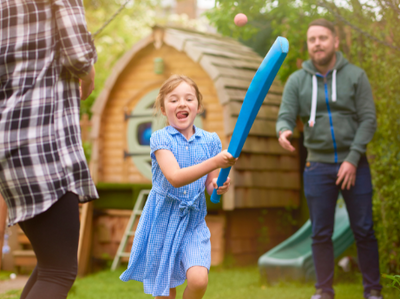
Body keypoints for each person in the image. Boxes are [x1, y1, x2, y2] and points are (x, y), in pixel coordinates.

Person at [276, 19, 382, 299]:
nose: (317, 43)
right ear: (308, 45)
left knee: (364, 229)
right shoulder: (297, 80)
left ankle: (373, 290)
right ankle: (324, 291)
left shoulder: (356, 76)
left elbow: (369, 120)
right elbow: (286, 114)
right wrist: (283, 130)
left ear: (335, 42)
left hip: (355, 164)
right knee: (321, 233)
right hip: (317, 166)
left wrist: (353, 158)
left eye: (323, 38)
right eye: (312, 39)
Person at [0, 1, 98, 298]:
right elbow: (78, 55)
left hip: (9, 141)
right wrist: (89, 71)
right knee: (59, 271)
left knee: (49, 265)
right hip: (44, 146)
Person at [120, 75, 237, 299]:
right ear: (163, 109)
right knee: (165, 293)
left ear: (198, 106)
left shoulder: (211, 141)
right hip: (162, 222)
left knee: (199, 280)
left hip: (193, 223)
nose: (181, 103)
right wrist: (215, 162)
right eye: (173, 99)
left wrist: (219, 186)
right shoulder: (160, 140)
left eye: (188, 98)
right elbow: (175, 177)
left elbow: (212, 186)